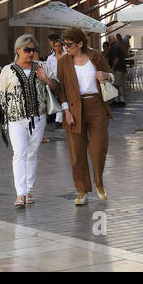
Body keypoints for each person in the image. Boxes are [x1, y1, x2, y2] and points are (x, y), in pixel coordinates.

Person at [54, 26, 114, 205]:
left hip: (96, 106)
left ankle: (99, 184)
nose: (66, 47)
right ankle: (82, 190)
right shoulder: (63, 62)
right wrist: (66, 111)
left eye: (69, 44)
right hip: (73, 109)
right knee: (76, 153)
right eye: (64, 44)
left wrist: (106, 75)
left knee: (98, 149)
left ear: (80, 43)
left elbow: (112, 76)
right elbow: (61, 89)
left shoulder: (95, 56)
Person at [0, 35, 52, 207]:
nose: (31, 53)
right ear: (18, 50)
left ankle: (28, 190)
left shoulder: (42, 67)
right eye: (27, 50)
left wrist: (45, 79)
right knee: (19, 153)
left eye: (34, 50)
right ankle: (20, 194)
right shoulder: (8, 70)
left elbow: (56, 86)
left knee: (32, 154)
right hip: (15, 119)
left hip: (38, 119)